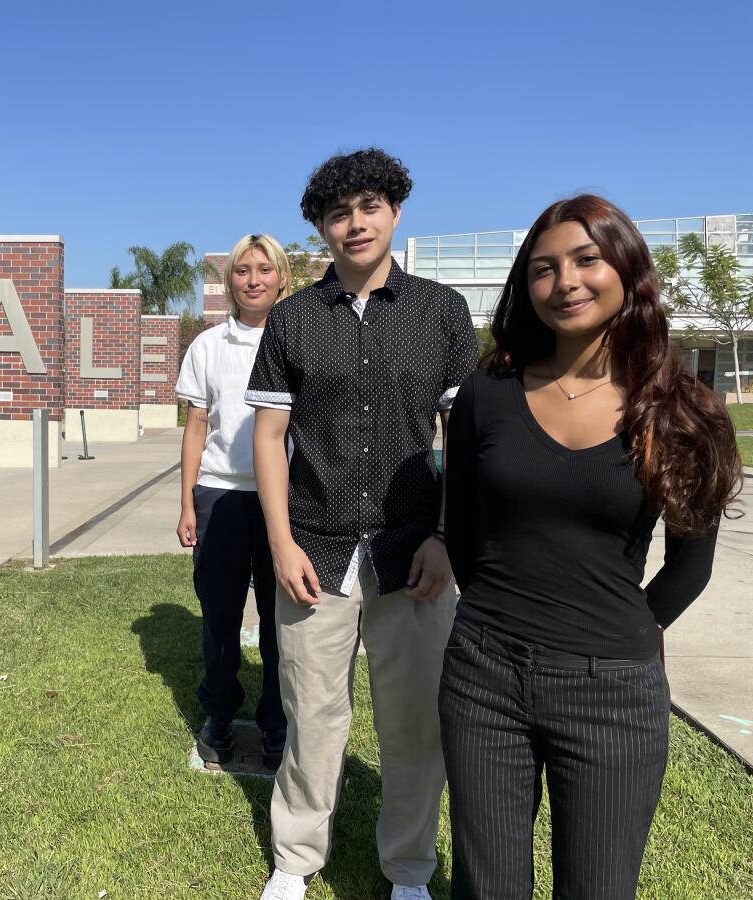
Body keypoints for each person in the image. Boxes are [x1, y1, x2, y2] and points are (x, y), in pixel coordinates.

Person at [440, 194, 742, 900]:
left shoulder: (680, 406)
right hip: (482, 675)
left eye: (586, 259)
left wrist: (626, 631)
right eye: (543, 269)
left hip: (613, 692)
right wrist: (494, 614)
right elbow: (462, 531)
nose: (565, 282)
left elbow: (689, 568)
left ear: (627, 269)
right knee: (486, 888)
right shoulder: (489, 390)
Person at [247, 149, 478, 900]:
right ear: (320, 226)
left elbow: (466, 438)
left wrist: (449, 538)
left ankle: (408, 869)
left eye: (370, 206)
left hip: (416, 552)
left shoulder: (441, 311)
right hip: (314, 547)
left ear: (396, 212)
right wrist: (280, 542)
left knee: (414, 726)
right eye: (339, 213)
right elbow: (269, 439)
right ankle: (295, 860)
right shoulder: (290, 321)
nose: (356, 223)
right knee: (312, 717)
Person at [175, 233, 292, 770]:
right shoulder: (208, 346)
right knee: (220, 619)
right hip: (221, 495)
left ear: (281, 278)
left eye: (264, 269)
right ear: (230, 282)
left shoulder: (300, 339)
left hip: (284, 502)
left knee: (279, 621)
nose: (253, 279)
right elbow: (196, 427)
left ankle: (276, 722)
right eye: (242, 271)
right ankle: (219, 714)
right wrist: (186, 504)